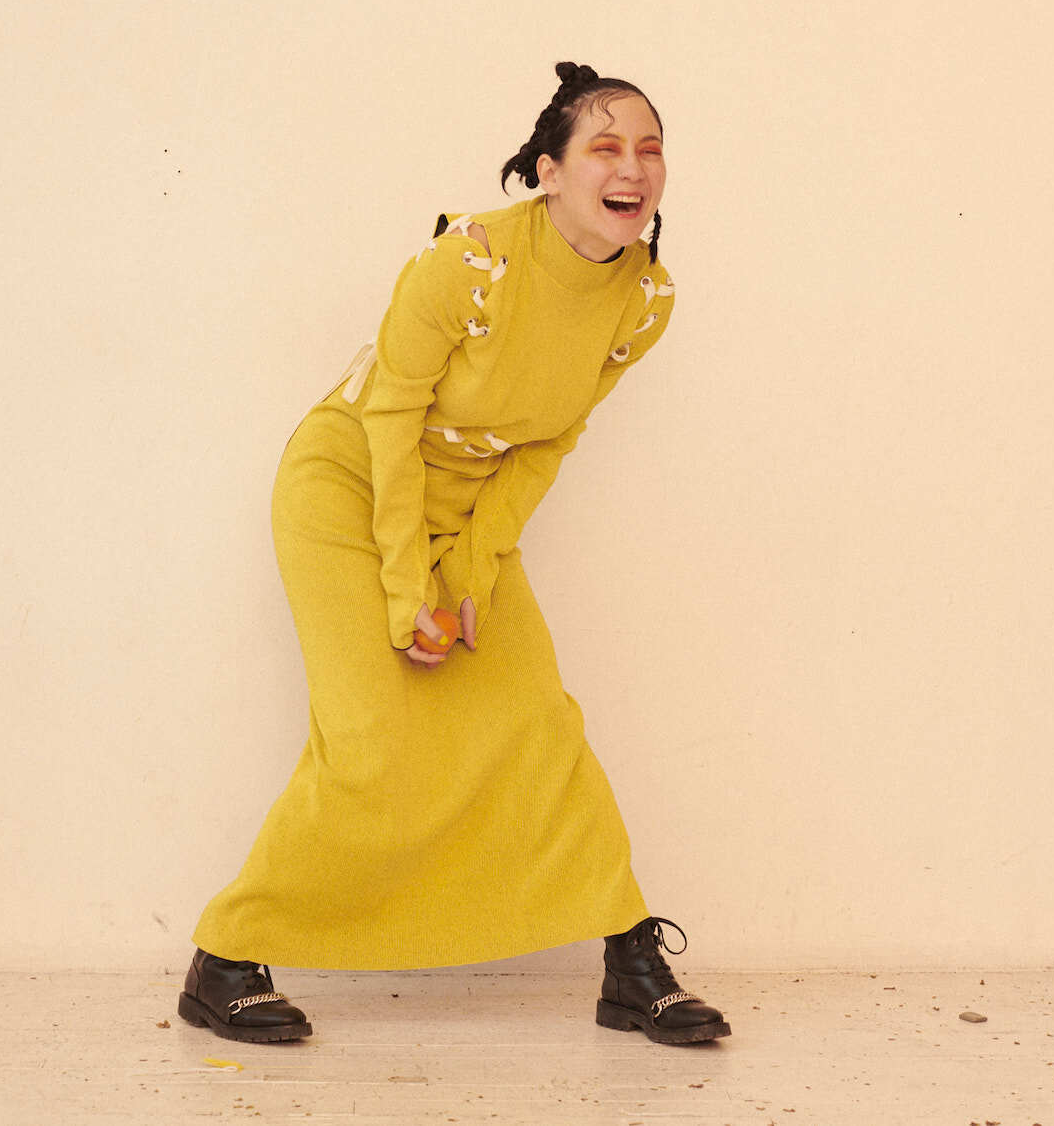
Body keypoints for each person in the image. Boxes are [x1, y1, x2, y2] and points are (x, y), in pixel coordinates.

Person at [178, 62, 730, 1047]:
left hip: (467, 516)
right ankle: (226, 959)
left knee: (537, 724)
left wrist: (469, 572)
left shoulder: (644, 299)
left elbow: (548, 441)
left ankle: (630, 965)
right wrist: (408, 593)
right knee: (371, 742)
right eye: (606, 147)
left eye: (650, 150)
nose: (633, 168)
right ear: (549, 171)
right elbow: (390, 416)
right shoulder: (470, 263)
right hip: (350, 488)